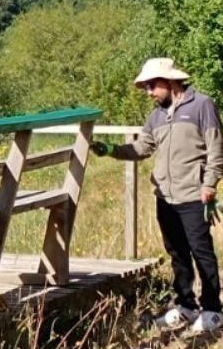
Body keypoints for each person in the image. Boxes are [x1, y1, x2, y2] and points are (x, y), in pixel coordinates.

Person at [91, 57, 223, 332]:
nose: (149, 92)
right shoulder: (156, 117)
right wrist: (112, 149)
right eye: (146, 87)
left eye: (152, 85)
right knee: (177, 253)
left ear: (170, 81)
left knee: (202, 252)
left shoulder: (202, 105)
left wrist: (209, 185)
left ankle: (213, 310)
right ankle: (186, 306)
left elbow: (216, 150)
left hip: (194, 195)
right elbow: (141, 149)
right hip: (165, 197)